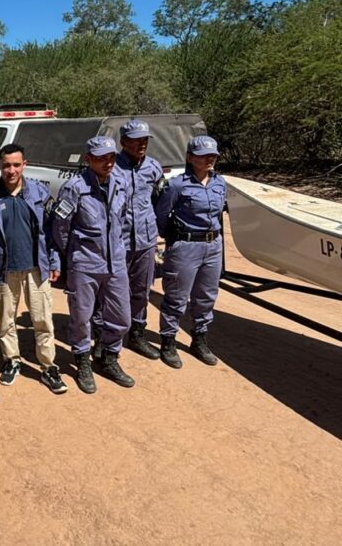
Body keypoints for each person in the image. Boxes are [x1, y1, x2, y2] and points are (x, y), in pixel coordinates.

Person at [51, 136, 137, 394]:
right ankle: (82, 360)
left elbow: (122, 221)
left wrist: (118, 250)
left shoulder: (120, 183)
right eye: (100, 157)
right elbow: (60, 228)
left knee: (122, 317)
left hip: (115, 263)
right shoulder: (74, 188)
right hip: (85, 263)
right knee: (81, 318)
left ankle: (109, 357)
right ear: (88, 159)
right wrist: (73, 256)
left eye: (111, 157)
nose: (107, 162)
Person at [0, 144, 67, 394]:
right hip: (4, 269)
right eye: (6, 165)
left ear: (24, 164)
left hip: (36, 267)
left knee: (42, 319)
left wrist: (55, 261)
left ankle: (48, 366)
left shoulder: (39, 193)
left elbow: (51, 232)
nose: (11, 170)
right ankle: (12, 360)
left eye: (16, 165)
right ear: (0, 166)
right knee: (7, 321)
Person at [154, 135, 228, 369]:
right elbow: (161, 216)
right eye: (204, 155)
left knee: (206, 297)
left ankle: (199, 340)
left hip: (212, 245)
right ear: (189, 158)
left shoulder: (220, 183)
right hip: (185, 246)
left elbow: (218, 217)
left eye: (213, 155)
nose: (209, 159)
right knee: (176, 297)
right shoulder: (177, 185)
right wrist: (174, 241)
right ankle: (168, 341)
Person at [115, 119, 165, 361]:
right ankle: (107, 337)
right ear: (123, 142)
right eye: (135, 140)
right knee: (112, 292)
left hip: (145, 241)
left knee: (141, 291)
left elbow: (159, 200)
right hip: (118, 241)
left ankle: (136, 335)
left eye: (144, 140)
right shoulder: (111, 167)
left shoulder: (153, 167)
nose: (141, 144)